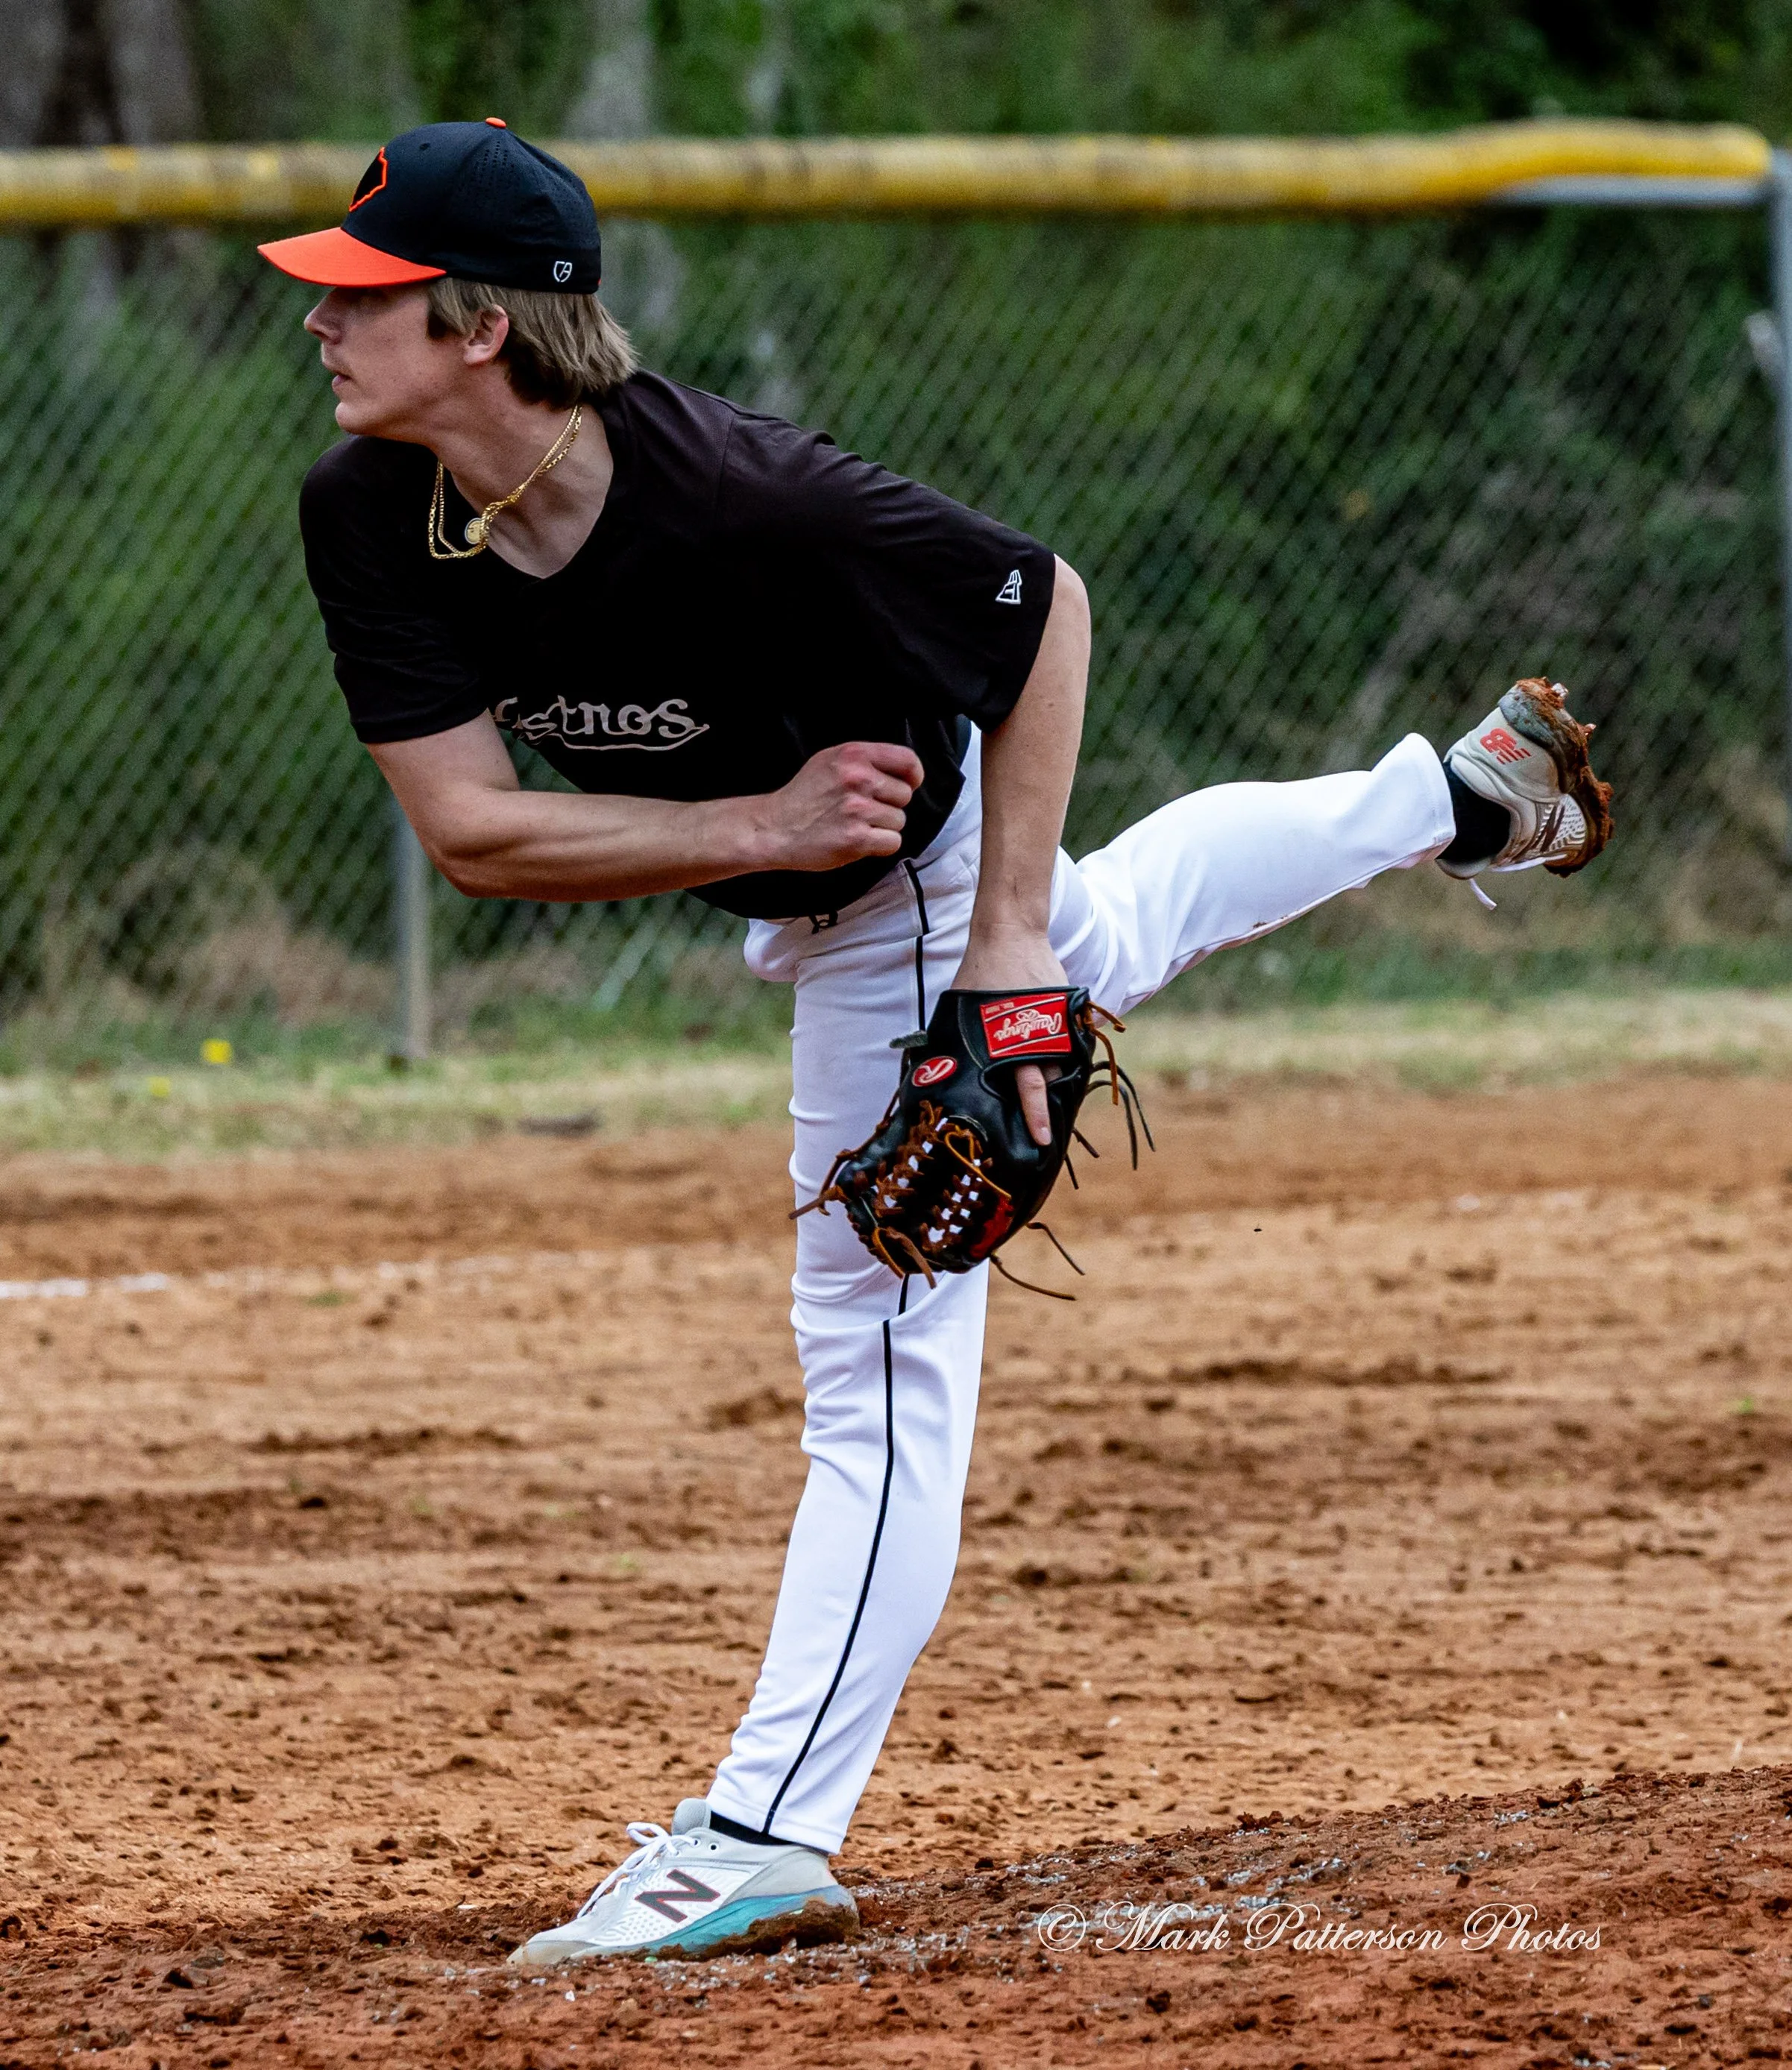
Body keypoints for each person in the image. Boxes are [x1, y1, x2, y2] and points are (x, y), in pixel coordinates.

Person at [261, 120, 1612, 1966]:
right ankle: (1456, 797)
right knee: (1116, 926)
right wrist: (761, 825)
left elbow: (1038, 603)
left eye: (368, 296)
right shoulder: (370, 511)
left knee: (877, 1338)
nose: (323, 326)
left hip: (918, 863)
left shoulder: (740, 494)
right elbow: (476, 833)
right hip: (816, 855)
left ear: (482, 326)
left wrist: (988, 960)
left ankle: (765, 1826)